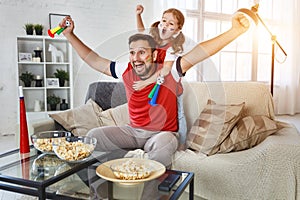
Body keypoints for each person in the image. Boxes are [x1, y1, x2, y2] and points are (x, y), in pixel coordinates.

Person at [60, 12, 249, 167]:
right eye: (132, 53)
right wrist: (69, 35)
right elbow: (94, 59)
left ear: (155, 53)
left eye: (142, 52)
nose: (136, 58)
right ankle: (101, 191)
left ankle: (147, 189)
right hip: (132, 131)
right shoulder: (125, 70)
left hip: (161, 134)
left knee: (164, 145)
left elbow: (201, 51)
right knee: (93, 136)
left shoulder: (170, 71)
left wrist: (235, 31)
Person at [135, 5, 188, 151]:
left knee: (180, 115)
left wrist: (145, 82)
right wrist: (138, 15)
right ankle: (153, 138)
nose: (165, 25)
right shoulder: (153, 39)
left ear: (177, 30)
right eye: (163, 21)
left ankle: (182, 146)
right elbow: (141, 32)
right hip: (157, 86)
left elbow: (165, 70)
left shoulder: (173, 48)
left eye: (171, 24)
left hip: (171, 88)